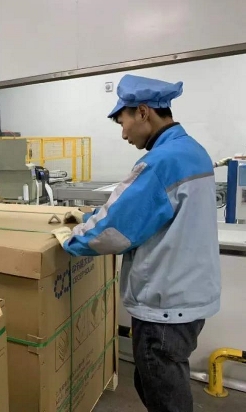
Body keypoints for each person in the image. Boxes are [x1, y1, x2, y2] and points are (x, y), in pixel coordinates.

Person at [52, 74, 221, 412]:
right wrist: (90, 216)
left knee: (164, 395)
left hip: (165, 306)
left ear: (143, 112)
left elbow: (115, 229)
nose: (124, 133)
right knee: (157, 384)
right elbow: (144, 214)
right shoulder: (192, 151)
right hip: (189, 296)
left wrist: (70, 238)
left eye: (123, 122)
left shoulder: (161, 162)